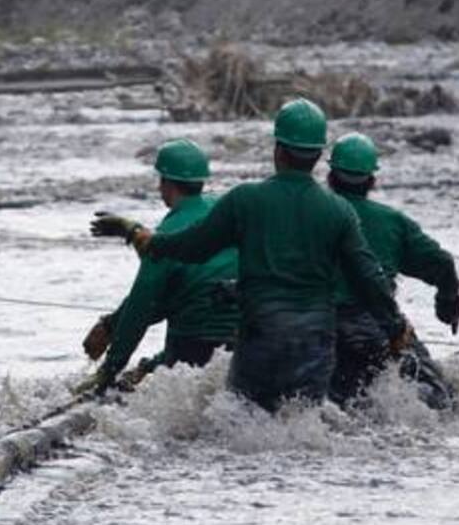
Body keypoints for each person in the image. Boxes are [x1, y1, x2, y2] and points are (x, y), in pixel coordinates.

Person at [103, 99, 409, 412]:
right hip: (316, 346)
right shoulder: (339, 211)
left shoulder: (244, 200)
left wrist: (147, 240)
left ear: (278, 149)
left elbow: (193, 246)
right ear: (318, 155)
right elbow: (369, 277)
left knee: (241, 423)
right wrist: (395, 326)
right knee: (303, 425)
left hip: (260, 341)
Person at [83, 139, 239, 394]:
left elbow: (142, 306)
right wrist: (150, 365)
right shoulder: (224, 213)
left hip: (191, 352)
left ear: (165, 183)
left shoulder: (167, 234)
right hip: (245, 347)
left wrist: (108, 371)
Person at [327, 132, 459, 409]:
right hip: (380, 326)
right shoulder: (394, 223)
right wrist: (448, 304)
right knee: (444, 400)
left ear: (330, 176)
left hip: (316, 324)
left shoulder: (309, 213)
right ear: (372, 180)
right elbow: (442, 263)